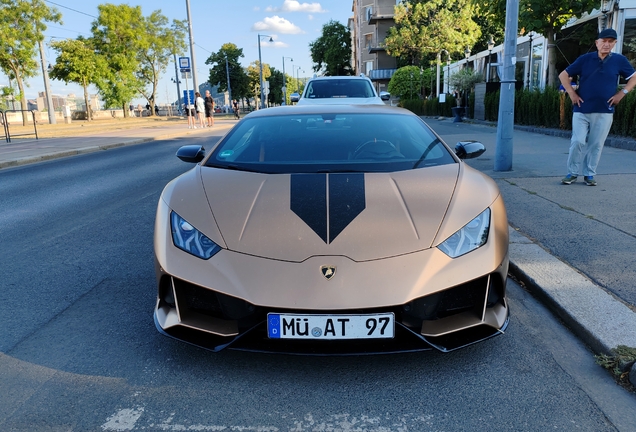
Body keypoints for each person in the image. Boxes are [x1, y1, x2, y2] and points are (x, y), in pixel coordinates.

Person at [559, 28, 636, 186]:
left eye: (610, 41)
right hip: (581, 108)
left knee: (596, 144)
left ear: (614, 44)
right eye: (604, 41)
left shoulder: (619, 60)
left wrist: (621, 94)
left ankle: (589, 174)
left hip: (604, 110)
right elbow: (563, 75)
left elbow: (634, 78)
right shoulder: (585, 59)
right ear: (597, 43)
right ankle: (572, 173)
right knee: (578, 141)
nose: (606, 44)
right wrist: (572, 94)